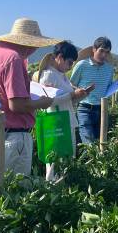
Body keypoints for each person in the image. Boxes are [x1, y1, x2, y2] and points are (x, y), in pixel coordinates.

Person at [0, 18, 58, 175]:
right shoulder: (14, 58)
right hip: (13, 138)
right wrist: (42, 102)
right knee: (18, 193)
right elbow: (16, 105)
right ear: (29, 43)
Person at [37, 42, 90, 179]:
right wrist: (72, 95)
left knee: (66, 160)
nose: (70, 66)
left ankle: (65, 192)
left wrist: (80, 96)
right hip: (55, 123)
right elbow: (47, 101)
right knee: (54, 162)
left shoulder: (61, 75)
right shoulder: (48, 75)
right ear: (60, 57)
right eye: (70, 62)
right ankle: (52, 193)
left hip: (67, 121)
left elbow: (68, 101)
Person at [70, 37, 115, 144]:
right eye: (101, 51)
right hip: (85, 109)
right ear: (94, 49)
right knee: (89, 144)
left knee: (101, 143)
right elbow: (71, 84)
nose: (104, 55)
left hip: (102, 109)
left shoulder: (109, 69)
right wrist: (79, 91)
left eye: (107, 52)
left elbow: (108, 87)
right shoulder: (82, 65)